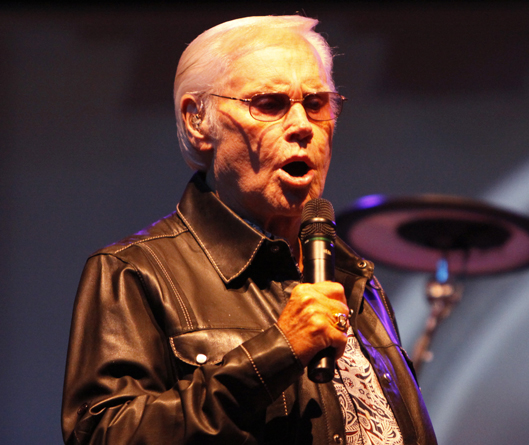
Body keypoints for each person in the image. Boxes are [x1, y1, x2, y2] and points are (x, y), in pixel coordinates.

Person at [62, 15, 437, 445]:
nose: (302, 126)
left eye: (316, 103)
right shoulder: (135, 273)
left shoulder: (354, 279)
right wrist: (278, 350)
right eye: (270, 104)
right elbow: (104, 435)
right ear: (197, 121)